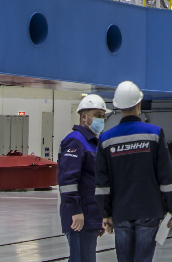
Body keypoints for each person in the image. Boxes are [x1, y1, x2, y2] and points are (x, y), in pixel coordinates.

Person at [96, 81, 172, 262]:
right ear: (139, 104)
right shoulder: (155, 134)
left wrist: (105, 213)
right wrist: (171, 208)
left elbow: (102, 182)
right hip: (149, 210)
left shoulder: (106, 139)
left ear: (117, 107)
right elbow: (166, 176)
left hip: (121, 211)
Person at [59, 94, 108, 262]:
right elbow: (67, 181)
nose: (101, 119)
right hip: (80, 216)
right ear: (84, 117)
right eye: (97, 115)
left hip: (91, 215)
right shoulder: (75, 142)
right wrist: (76, 211)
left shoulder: (93, 143)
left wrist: (101, 216)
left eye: (103, 116)